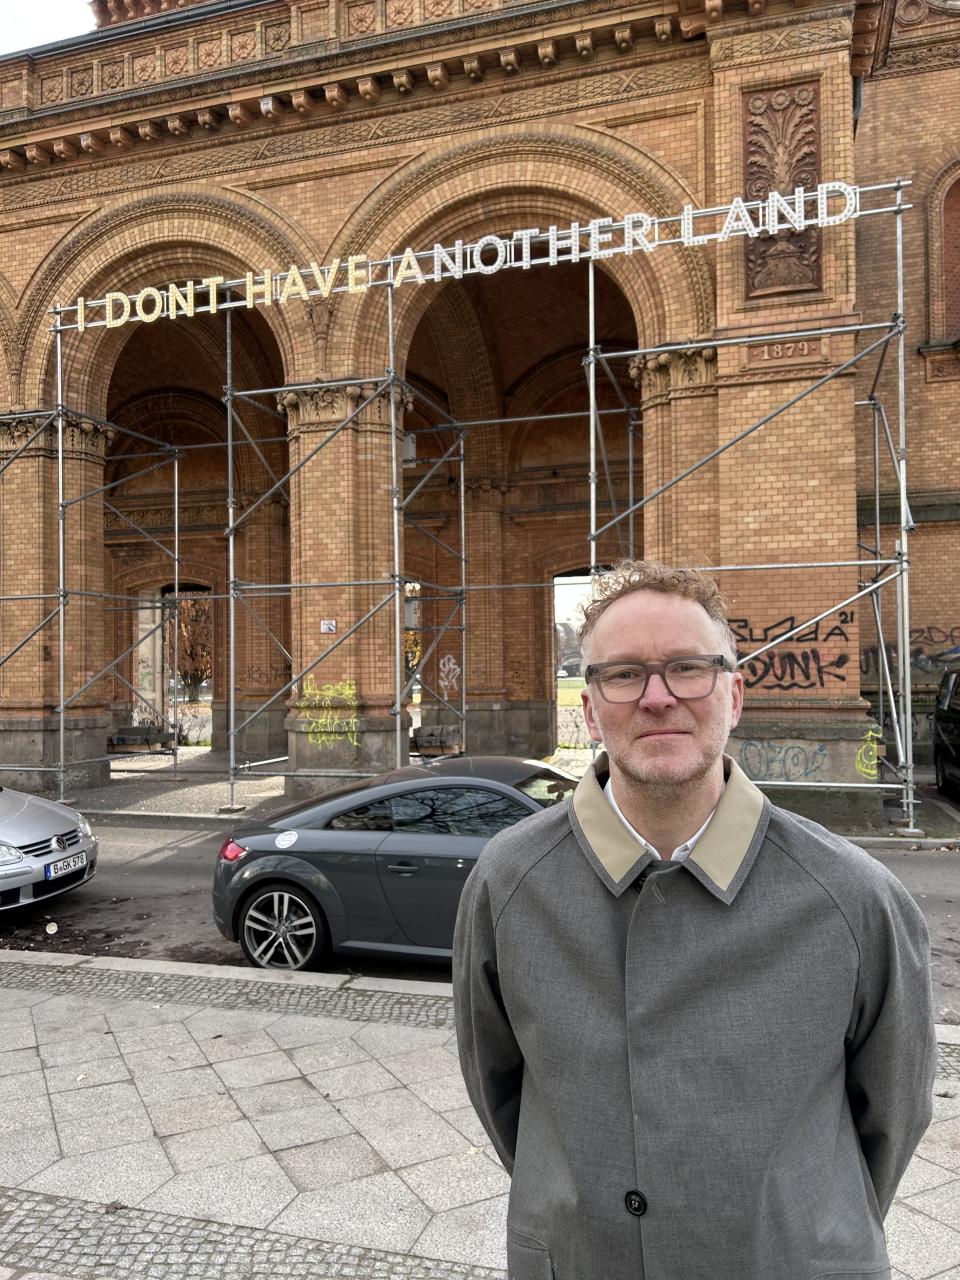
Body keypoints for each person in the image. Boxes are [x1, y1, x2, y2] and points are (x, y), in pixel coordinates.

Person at [452, 559, 936, 1280]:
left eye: (687, 668)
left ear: (734, 696)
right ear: (590, 709)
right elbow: (497, 1090)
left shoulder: (854, 897)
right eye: (623, 674)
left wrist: (800, 1224)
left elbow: (892, 1116)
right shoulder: (509, 882)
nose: (658, 698)